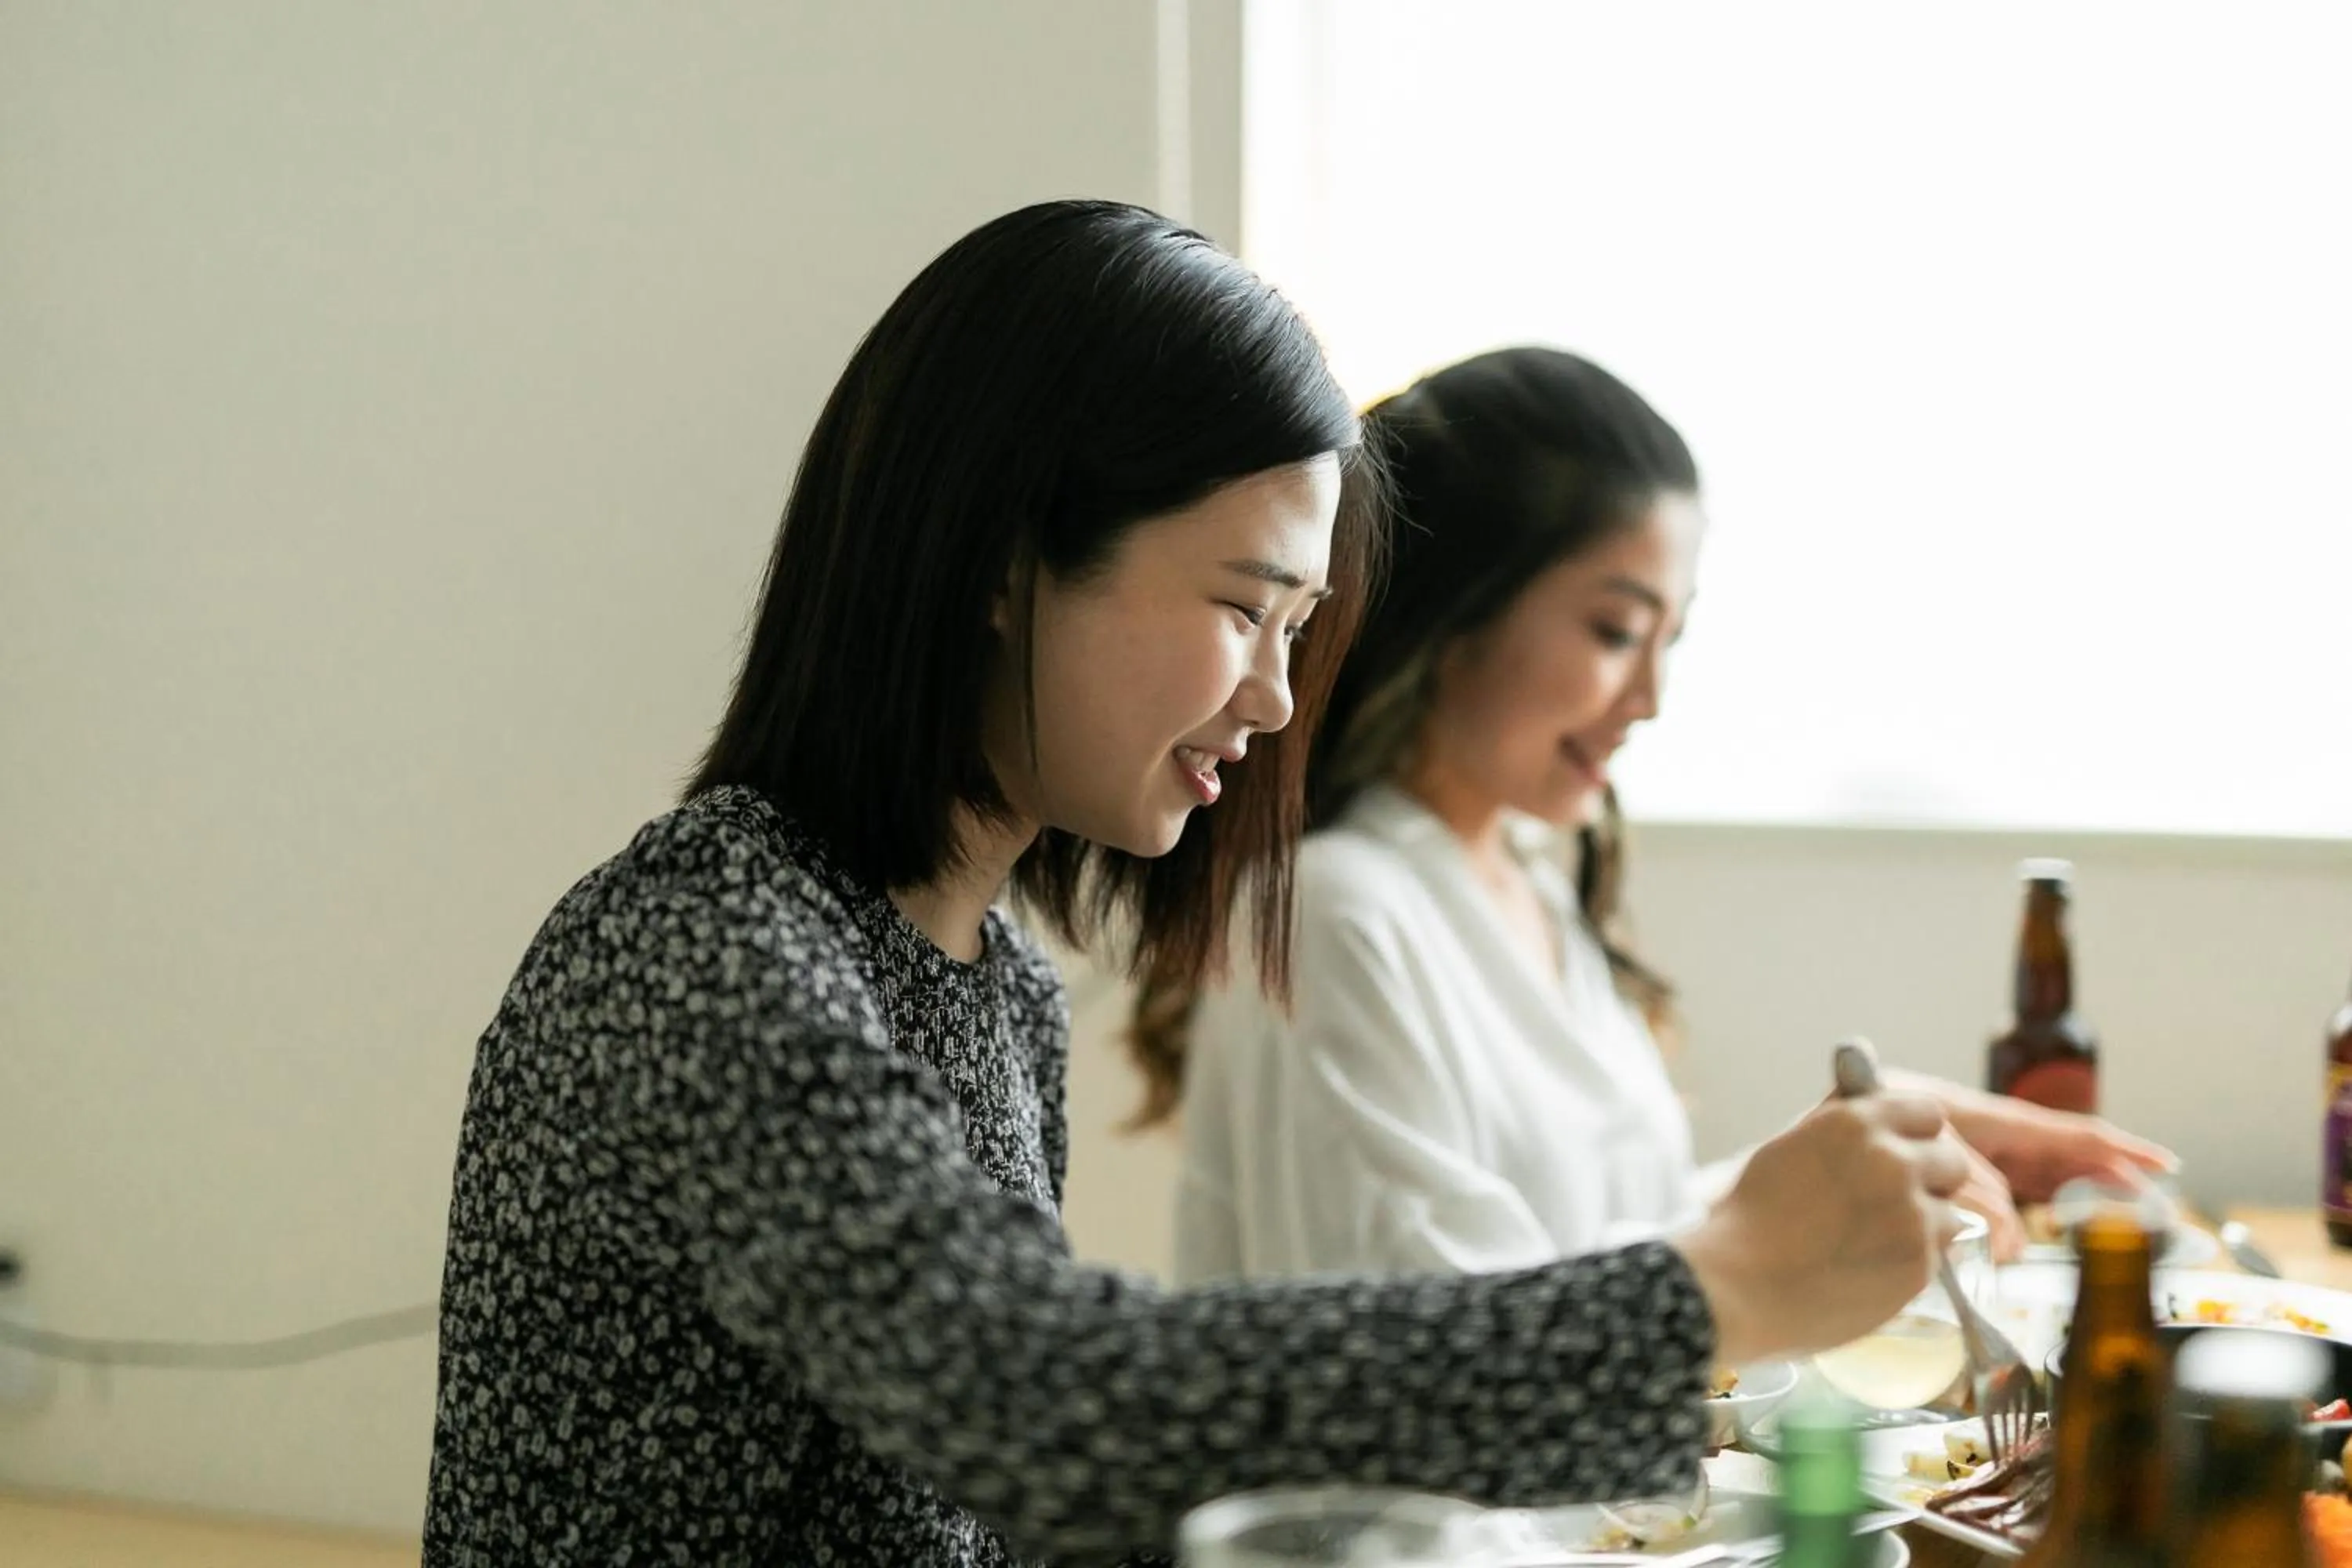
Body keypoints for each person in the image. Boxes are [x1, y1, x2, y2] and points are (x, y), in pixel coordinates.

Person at [424, 208, 1967, 1566]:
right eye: (1245, 608)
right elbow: (1043, 1404)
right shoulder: (700, 948)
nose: (1280, 699)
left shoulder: (994, 980)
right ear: (1006, 561)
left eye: (1300, 627)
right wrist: (1705, 1291)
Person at [1158, 347, 2172, 1289]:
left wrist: (1845, 1153)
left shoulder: (1522, 878)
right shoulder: (1336, 916)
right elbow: (1436, 1364)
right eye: (1615, 630)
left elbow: (1596, 1247)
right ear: (1454, 609)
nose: (1649, 697)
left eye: (1668, 641)